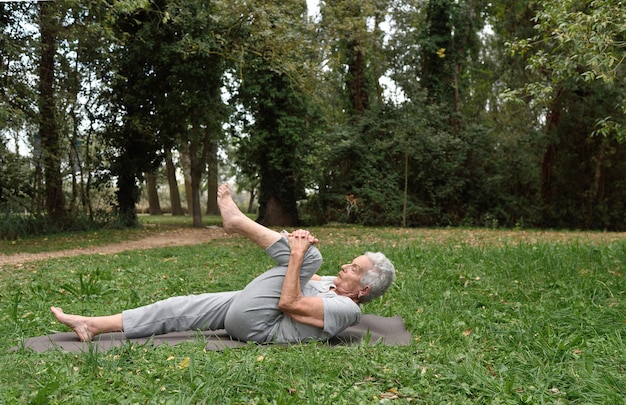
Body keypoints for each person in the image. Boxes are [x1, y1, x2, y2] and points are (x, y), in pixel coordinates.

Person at [50, 184, 396, 344]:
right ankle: (92, 324)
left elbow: (288, 302)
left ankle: (236, 222)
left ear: (364, 289)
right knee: (180, 306)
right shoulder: (330, 286)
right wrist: (296, 246)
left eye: (353, 268)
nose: (346, 267)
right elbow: (300, 272)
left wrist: (298, 254)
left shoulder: (347, 311)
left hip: (259, 325)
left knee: (310, 256)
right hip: (254, 310)